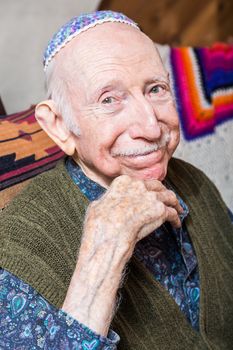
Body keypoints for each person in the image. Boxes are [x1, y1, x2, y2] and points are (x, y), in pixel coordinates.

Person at [0, 11, 233, 350]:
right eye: (109, 99)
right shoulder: (17, 246)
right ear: (59, 127)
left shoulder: (192, 181)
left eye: (156, 89)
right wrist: (105, 250)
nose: (152, 128)